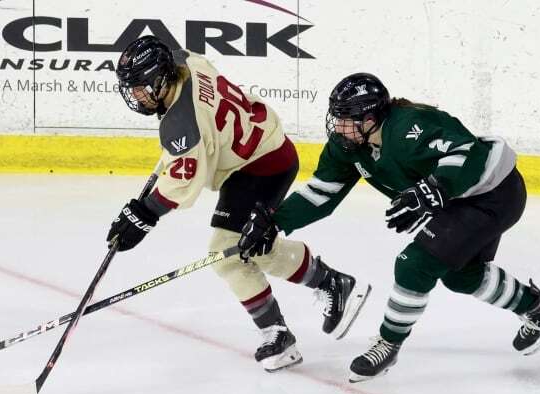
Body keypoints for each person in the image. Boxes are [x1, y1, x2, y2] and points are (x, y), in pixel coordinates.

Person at [237, 72, 540, 382]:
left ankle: (388, 344)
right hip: (456, 203)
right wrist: (274, 221)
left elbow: (466, 153)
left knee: (415, 264)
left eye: (345, 120)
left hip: (493, 194)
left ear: (370, 120)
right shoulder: (349, 145)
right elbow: (323, 192)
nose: (338, 127)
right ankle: (539, 310)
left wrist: (435, 189)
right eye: (336, 118)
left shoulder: (410, 127)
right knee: (460, 275)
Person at [106, 36, 371, 372]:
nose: (137, 95)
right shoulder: (186, 62)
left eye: (142, 87)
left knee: (229, 254)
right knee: (243, 250)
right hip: (255, 155)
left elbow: (182, 183)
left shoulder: (185, 125)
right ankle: (323, 289)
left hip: (264, 166)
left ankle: (292, 320)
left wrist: (143, 214)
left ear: (161, 77)